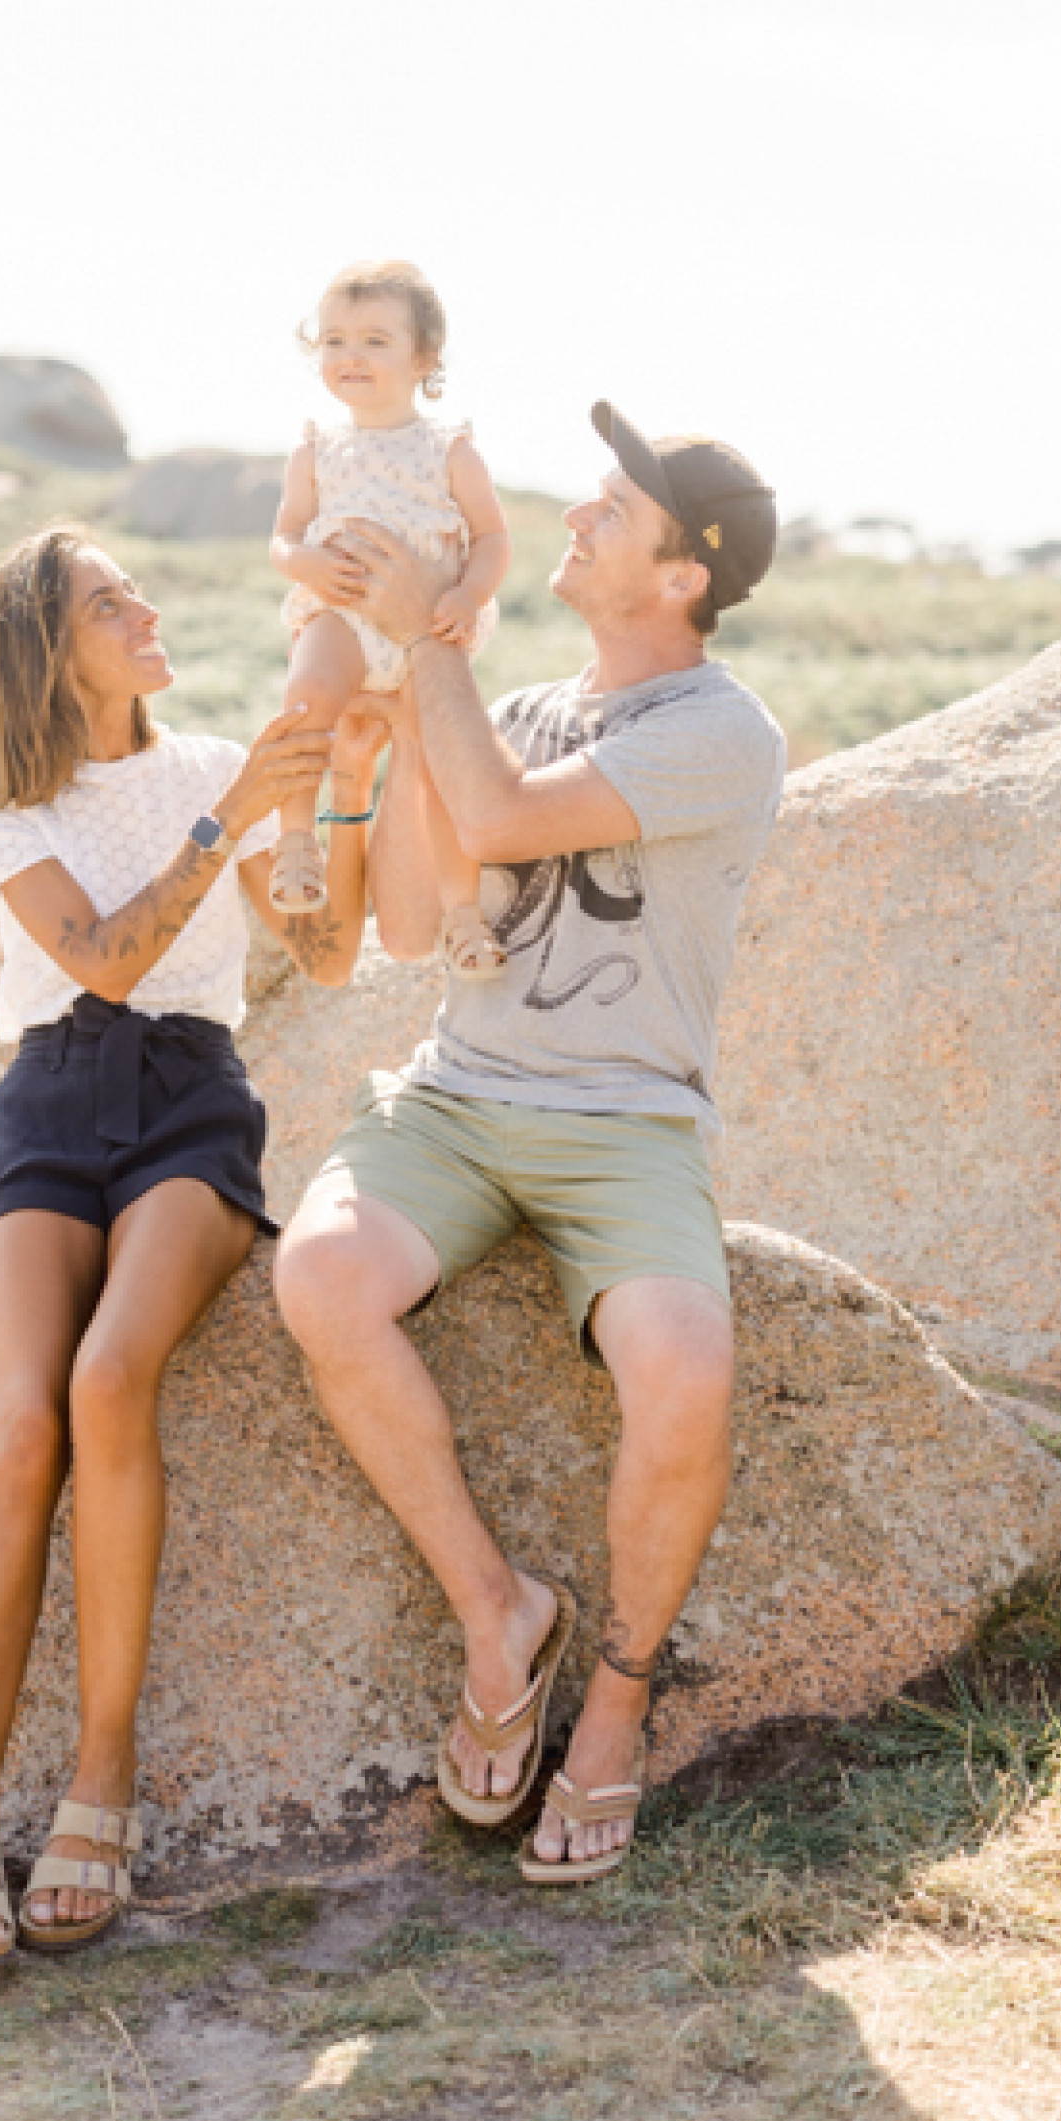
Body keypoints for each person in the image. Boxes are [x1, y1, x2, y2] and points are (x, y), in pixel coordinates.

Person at [274, 403, 785, 1887]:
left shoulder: (715, 731)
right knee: (321, 1279)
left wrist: (427, 637)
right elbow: (421, 923)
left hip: (627, 1119)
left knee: (685, 1367)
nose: (577, 511)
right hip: (460, 1096)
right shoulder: (525, 710)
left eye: (614, 508)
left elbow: (501, 819)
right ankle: (501, 1614)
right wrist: (382, 736)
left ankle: (614, 1708)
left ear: (682, 574)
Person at [0, 522, 384, 1966]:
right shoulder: (5, 800)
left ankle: (100, 1779)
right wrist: (230, 808)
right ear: (52, 647)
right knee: (15, 1428)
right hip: (51, 1098)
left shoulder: (213, 767)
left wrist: (339, 807)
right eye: (112, 602)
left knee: (112, 1383)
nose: (148, 608)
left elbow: (321, 953)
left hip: (190, 1101)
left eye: (135, 588)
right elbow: (103, 957)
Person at [269, 261, 511, 977]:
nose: (350, 355)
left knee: (435, 768)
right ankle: (295, 841)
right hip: (339, 612)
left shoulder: (450, 448)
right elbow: (284, 535)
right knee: (306, 698)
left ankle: (462, 915)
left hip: (427, 627)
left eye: (375, 340)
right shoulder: (315, 449)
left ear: (424, 360)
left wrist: (467, 594)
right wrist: (302, 563)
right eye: (335, 339)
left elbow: (493, 537)